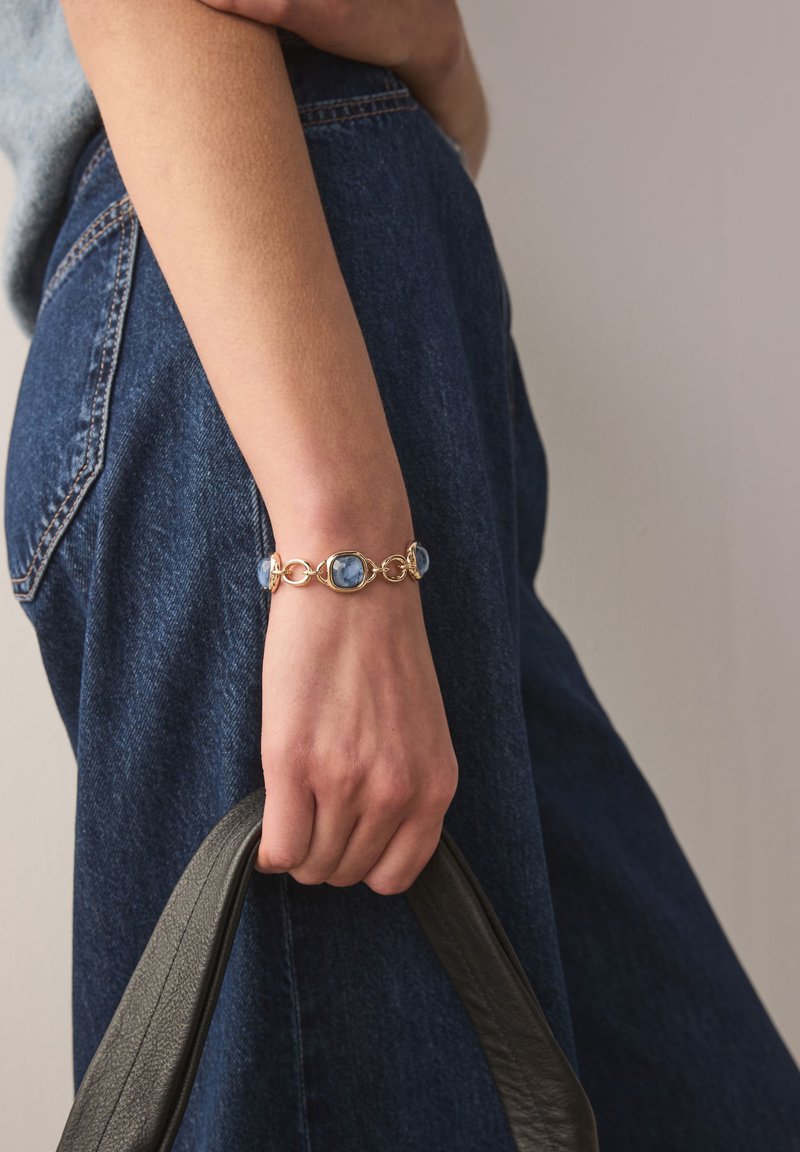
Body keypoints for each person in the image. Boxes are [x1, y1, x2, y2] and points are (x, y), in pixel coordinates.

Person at [2, 1, 799, 1149]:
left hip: (343, 340)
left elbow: (436, 91)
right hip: (278, 366)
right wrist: (340, 549)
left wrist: (431, 48)